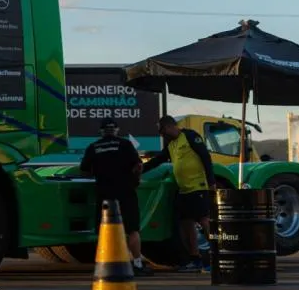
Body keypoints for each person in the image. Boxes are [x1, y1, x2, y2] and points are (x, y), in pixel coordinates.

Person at [80, 117, 153, 276]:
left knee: (106, 230)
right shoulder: (125, 144)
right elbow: (138, 166)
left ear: (101, 131)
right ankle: (137, 264)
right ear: (117, 130)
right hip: (126, 192)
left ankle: (109, 263)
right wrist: (136, 180)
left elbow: (84, 169)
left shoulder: (94, 147)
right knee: (132, 229)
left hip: (104, 194)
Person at [142, 115, 215, 273]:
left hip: (198, 186)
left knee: (203, 220)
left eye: (162, 132)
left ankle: (217, 255)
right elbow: (159, 159)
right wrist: (140, 169)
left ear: (169, 127)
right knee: (186, 223)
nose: (162, 135)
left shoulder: (190, 136)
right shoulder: (171, 144)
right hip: (184, 189)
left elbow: (205, 157)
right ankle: (194, 259)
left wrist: (211, 182)